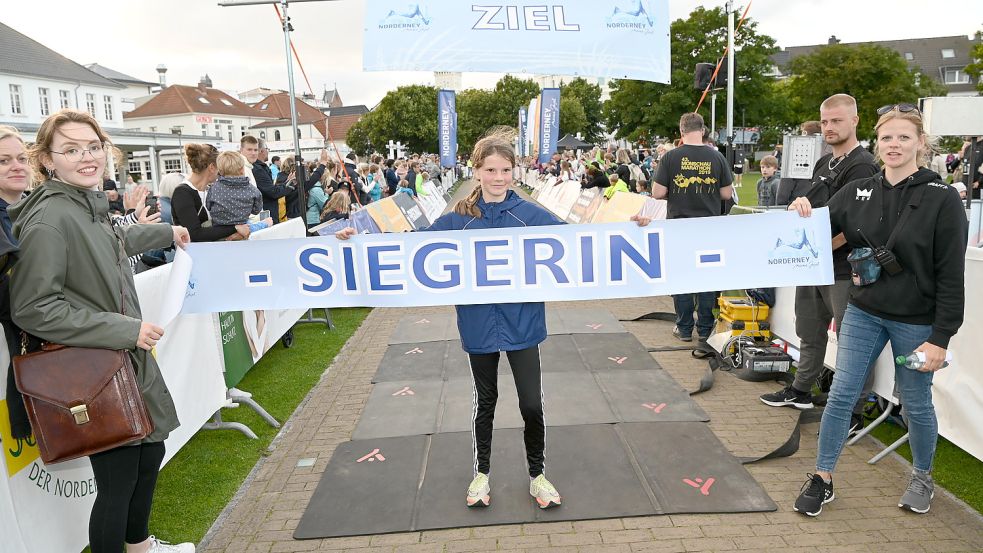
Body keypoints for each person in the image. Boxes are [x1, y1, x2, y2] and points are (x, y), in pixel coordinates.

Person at [337, 132, 651, 510]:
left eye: (505, 169)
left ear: (514, 171)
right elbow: (412, 245)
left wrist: (629, 227)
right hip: (478, 324)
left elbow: (582, 240)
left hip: (523, 324)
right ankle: (481, 473)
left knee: (531, 404)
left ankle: (537, 475)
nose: (498, 177)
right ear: (478, 171)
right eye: (490, 170)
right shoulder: (458, 220)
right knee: (485, 403)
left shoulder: (530, 214)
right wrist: (359, 239)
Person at [9, 108, 193, 553]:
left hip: (120, 360)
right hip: (96, 367)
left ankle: (140, 546)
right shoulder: (51, 218)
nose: (86, 157)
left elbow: (108, 242)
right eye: (71, 149)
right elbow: (33, 308)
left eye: (93, 146)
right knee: (118, 480)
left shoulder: (84, 203)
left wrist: (168, 232)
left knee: (149, 455)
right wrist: (124, 330)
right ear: (48, 160)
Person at [789, 103, 966, 517]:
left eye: (904, 137)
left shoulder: (942, 198)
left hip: (917, 322)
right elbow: (813, 230)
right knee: (842, 394)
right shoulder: (857, 189)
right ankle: (823, 477)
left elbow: (951, 276)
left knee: (916, 403)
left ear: (921, 143)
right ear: (877, 141)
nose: (894, 145)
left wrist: (940, 338)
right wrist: (800, 212)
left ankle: (922, 477)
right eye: (887, 137)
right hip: (864, 311)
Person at [760, 94, 880, 415]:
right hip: (813, 264)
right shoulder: (822, 162)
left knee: (851, 338)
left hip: (843, 269)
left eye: (836, 121)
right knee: (809, 330)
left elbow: (856, 223)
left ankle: (853, 409)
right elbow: (812, 209)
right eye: (825, 121)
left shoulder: (863, 164)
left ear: (854, 121)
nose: (829, 127)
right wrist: (796, 208)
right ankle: (801, 389)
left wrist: (822, 248)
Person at [652, 112, 734, 342]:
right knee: (707, 279)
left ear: (681, 131)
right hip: (708, 227)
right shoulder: (717, 158)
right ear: (703, 130)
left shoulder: (671, 157)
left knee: (682, 277)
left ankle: (685, 328)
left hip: (679, 227)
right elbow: (726, 193)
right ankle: (706, 329)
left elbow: (657, 192)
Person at [173, 143, 250, 242]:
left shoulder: (210, 190)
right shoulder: (182, 193)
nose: (220, 173)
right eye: (219, 168)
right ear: (212, 167)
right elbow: (194, 234)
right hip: (193, 254)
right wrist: (234, 228)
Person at [205, 151, 271, 233]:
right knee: (263, 223)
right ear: (242, 170)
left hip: (218, 228)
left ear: (220, 171)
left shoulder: (214, 188)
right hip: (244, 227)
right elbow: (256, 210)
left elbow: (208, 206)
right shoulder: (252, 190)